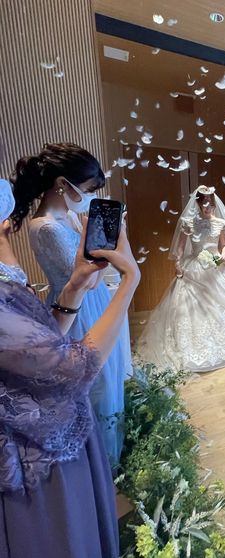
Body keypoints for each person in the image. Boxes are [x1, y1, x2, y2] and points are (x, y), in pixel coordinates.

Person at [1, 195, 140, 558]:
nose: (10, 226)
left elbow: (37, 344)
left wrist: (75, 286)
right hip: (35, 462)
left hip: (50, 436)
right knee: (66, 555)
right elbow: (74, 368)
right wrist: (130, 281)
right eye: (4, 227)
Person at [10, 142, 131, 466]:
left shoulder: (71, 216)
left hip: (94, 300)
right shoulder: (45, 226)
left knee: (108, 376)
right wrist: (112, 251)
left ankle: (111, 452)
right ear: (63, 184)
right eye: (89, 190)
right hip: (76, 310)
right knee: (93, 384)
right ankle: (99, 460)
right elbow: (85, 278)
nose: (91, 196)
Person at [137, 186, 225, 371]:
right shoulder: (188, 222)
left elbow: (224, 245)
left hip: (215, 268)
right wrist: (178, 265)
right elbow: (180, 248)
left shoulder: (220, 223)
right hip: (194, 268)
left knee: (223, 304)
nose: (208, 207)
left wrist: (223, 255)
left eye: (210, 204)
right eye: (204, 204)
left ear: (214, 205)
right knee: (187, 309)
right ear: (197, 203)